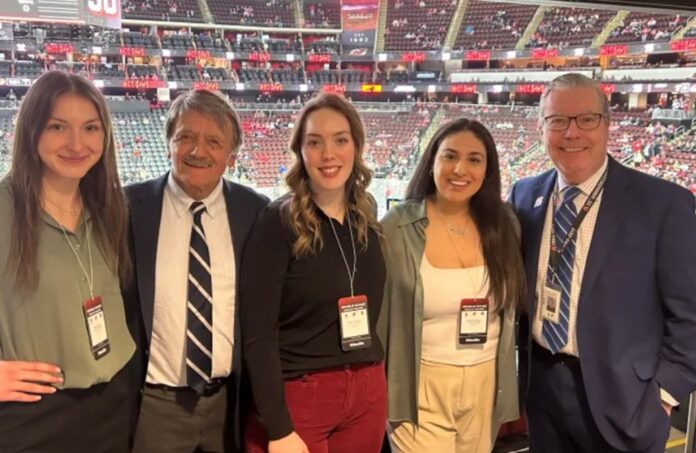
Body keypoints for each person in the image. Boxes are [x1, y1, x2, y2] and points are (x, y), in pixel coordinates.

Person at [509, 72, 696, 453]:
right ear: (541, 128)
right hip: (542, 389)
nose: (571, 132)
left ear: (607, 124)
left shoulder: (663, 204)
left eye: (586, 119)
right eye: (557, 120)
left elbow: (690, 314)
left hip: (627, 401)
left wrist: (663, 394)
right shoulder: (524, 195)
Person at [241, 92, 387, 453]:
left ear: (356, 146)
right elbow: (258, 333)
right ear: (300, 151)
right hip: (301, 394)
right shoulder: (278, 221)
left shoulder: (366, 214)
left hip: (367, 391)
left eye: (340, 140)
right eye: (314, 142)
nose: (328, 154)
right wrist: (277, 427)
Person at [124, 89, 268, 453]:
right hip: (153, 407)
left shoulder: (255, 212)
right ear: (168, 144)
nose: (197, 151)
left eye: (213, 141)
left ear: (232, 156)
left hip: (228, 405)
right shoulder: (127, 208)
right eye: (185, 136)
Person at [0, 70, 135, 451]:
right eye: (58, 126)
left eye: (90, 128)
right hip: (35, 414)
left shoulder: (109, 207)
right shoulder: (5, 208)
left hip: (114, 402)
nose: (77, 143)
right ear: (32, 130)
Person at [379, 118, 526, 453]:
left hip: (486, 383)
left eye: (474, 159)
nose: (460, 169)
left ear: (487, 170)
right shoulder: (397, 226)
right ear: (432, 161)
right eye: (450, 156)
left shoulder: (505, 225)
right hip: (419, 384)